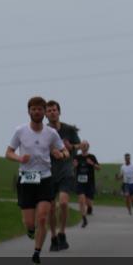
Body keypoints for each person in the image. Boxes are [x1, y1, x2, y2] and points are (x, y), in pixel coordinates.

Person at [6, 97, 67, 265]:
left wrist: (61, 154)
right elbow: (8, 152)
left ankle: (37, 253)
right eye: (33, 109)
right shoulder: (20, 131)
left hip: (45, 178)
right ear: (29, 111)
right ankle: (30, 230)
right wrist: (19, 158)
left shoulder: (51, 133)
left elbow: (64, 151)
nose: (37, 112)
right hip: (27, 178)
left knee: (42, 218)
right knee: (29, 223)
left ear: (44, 112)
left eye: (40, 109)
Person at [45, 100, 82, 251]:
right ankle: (53, 236)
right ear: (46, 115)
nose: (52, 112)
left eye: (54, 110)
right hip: (48, 172)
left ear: (59, 112)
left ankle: (62, 233)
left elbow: (79, 145)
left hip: (66, 170)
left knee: (64, 203)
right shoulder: (44, 131)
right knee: (51, 208)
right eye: (49, 111)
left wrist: (71, 146)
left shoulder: (69, 129)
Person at [75, 142, 100, 227]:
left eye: (85, 146)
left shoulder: (92, 157)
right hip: (80, 182)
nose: (83, 147)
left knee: (88, 202)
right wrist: (74, 166)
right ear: (80, 147)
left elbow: (98, 168)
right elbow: (72, 167)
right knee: (81, 200)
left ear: (88, 147)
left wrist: (92, 163)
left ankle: (90, 208)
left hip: (89, 182)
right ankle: (84, 219)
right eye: (82, 145)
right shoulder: (77, 157)